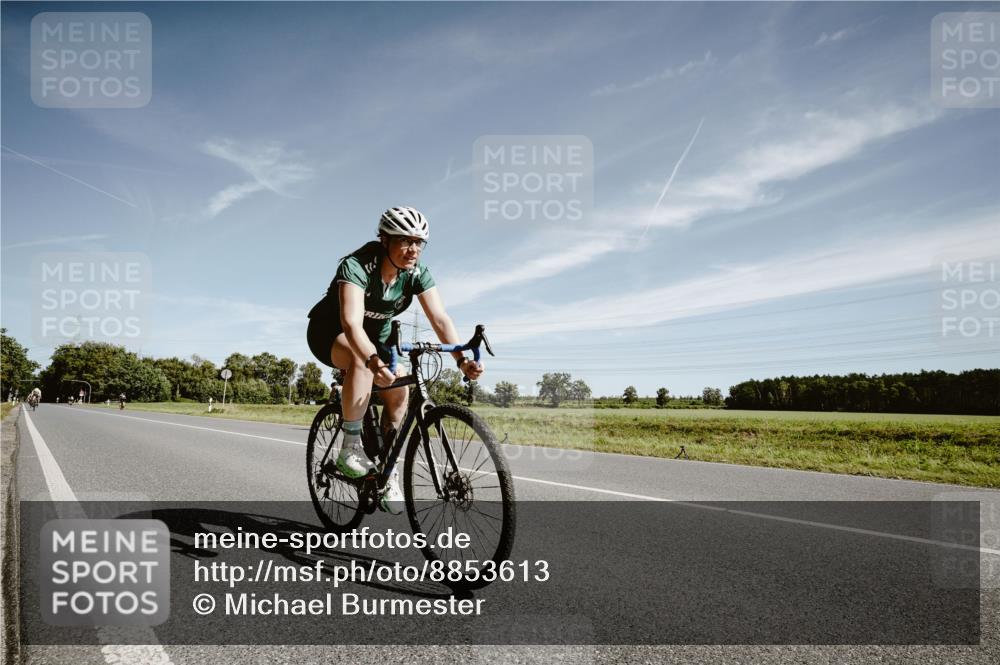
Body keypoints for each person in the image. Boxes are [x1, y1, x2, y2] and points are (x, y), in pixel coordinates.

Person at [307, 206, 483, 513]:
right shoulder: (358, 265)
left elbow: (440, 319)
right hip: (330, 332)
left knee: (399, 386)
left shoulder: (416, 274)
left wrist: (460, 359)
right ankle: (349, 448)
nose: (412, 249)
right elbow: (351, 324)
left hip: (378, 337)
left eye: (418, 242)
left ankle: (387, 472)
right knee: (362, 361)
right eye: (404, 240)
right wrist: (374, 362)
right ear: (385, 240)